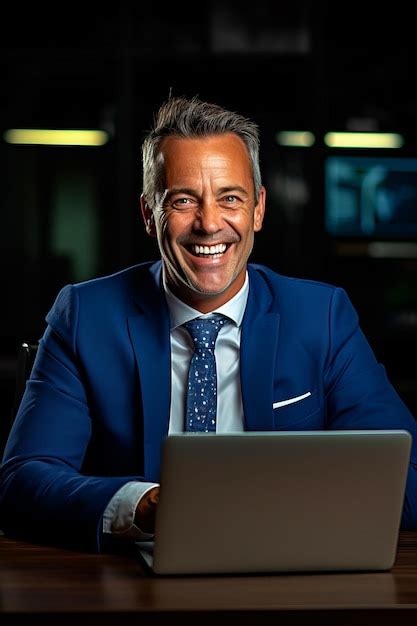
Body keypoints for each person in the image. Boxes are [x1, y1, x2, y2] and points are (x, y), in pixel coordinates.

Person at [1, 95, 417, 552]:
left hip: (287, 574)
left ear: (258, 209)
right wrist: (143, 505)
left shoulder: (323, 318)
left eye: (230, 198)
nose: (209, 223)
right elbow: (22, 482)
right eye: (183, 200)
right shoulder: (85, 316)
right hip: (133, 582)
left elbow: (408, 477)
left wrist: (281, 509)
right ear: (148, 215)